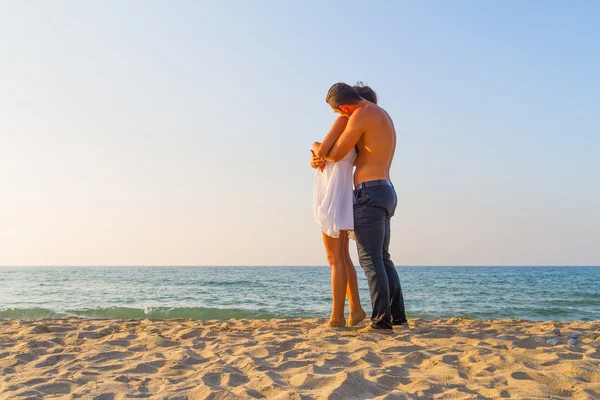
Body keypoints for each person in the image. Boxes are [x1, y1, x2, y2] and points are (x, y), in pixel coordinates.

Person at [311, 83, 406, 330]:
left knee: (370, 259)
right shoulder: (381, 114)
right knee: (383, 259)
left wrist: (316, 148)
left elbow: (334, 153)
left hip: (370, 192)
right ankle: (398, 317)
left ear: (344, 106)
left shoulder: (362, 114)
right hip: (386, 189)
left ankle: (381, 321)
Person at [311, 104, 366, 329]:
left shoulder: (344, 121)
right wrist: (316, 157)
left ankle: (337, 317)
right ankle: (355, 310)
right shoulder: (357, 129)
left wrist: (314, 147)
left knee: (334, 259)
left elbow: (322, 149)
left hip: (333, 193)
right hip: (342, 191)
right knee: (343, 256)